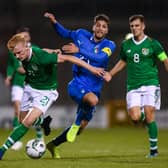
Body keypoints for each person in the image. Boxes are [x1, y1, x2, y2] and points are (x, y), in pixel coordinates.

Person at [0, 33, 104, 160]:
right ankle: (43, 121)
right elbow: (43, 50)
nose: (17, 56)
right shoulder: (27, 55)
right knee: (22, 120)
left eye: (19, 53)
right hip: (29, 87)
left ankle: (2, 150)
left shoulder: (42, 57)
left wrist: (92, 69)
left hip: (46, 92)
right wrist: (51, 51)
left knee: (27, 122)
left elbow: (68, 58)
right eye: (15, 54)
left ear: (27, 47)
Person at [44, 12, 116, 158]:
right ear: (93, 27)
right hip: (77, 84)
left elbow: (100, 57)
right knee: (92, 100)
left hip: (94, 89)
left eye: (104, 27)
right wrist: (54, 22)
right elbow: (65, 33)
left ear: (107, 30)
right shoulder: (81, 34)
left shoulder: (109, 45)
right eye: (98, 25)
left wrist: (79, 50)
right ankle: (76, 122)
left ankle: (53, 144)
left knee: (80, 129)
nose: (100, 28)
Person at [103, 14, 168, 158]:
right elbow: (122, 62)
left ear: (143, 26)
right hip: (133, 86)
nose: (134, 28)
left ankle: (153, 149)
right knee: (135, 118)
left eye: (137, 25)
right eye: (132, 26)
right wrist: (110, 74)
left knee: (150, 113)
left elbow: (164, 59)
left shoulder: (153, 43)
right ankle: (142, 114)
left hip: (151, 83)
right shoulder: (126, 45)